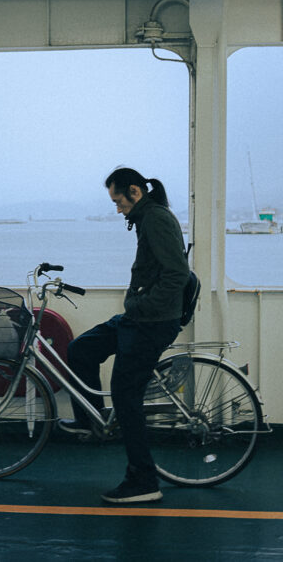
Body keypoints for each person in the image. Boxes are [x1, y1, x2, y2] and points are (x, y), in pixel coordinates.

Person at [60, 167, 190, 504]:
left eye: (119, 201)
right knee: (80, 350)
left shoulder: (156, 219)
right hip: (139, 316)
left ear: (134, 191)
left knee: (125, 394)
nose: (118, 209)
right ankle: (91, 422)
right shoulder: (146, 217)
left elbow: (177, 274)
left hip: (152, 321)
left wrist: (143, 306)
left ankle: (144, 481)